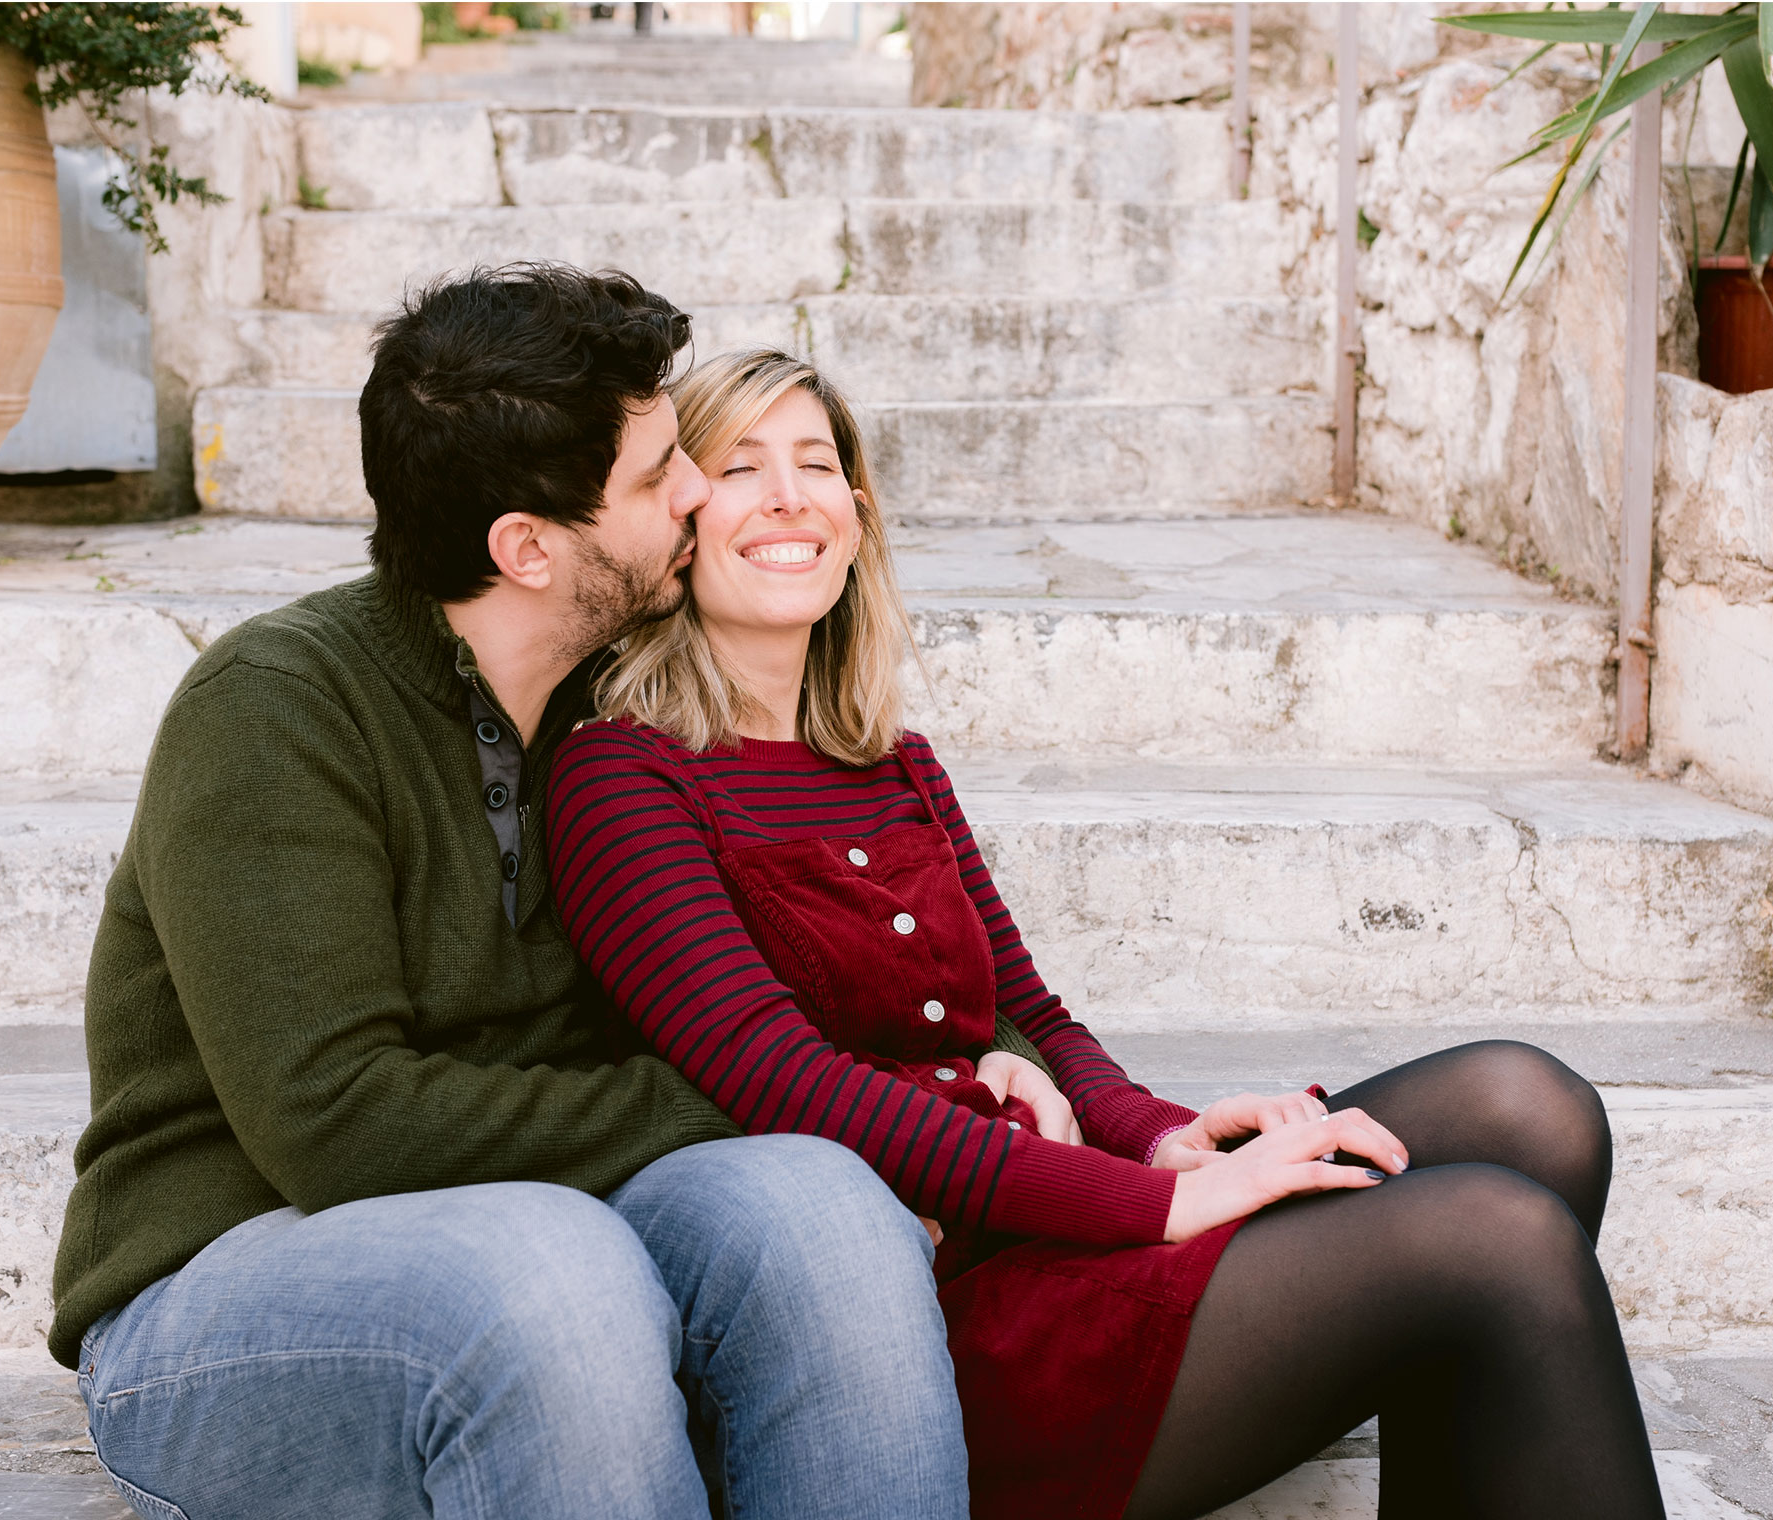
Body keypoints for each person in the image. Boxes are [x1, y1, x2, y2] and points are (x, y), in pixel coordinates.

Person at [547, 347, 1671, 1520]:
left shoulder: (894, 763)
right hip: (906, 1326)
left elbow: (1030, 1010)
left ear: (856, 513)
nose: (788, 496)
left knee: (1527, 1105)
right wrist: (1157, 1204)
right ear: (678, 521)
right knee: (1493, 1238)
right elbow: (778, 1080)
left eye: (817, 464)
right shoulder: (622, 776)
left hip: (1048, 1213)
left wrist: (1164, 1138)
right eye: (739, 466)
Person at [48, 268, 1013, 1520]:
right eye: (663, 471)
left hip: (565, 1216)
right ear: (529, 548)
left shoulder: (625, 706)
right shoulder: (277, 710)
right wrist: (757, 1094)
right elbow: (340, 1122)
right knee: (552, 1271)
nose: (700, 494)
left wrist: (1007, 1048)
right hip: (231, 1288)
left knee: (823, 1212)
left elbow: (856, 909)